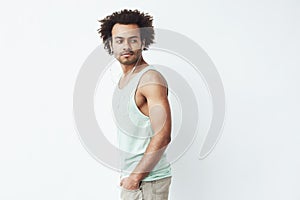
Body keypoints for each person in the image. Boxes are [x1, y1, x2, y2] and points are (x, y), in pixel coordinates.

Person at [98, 9, 172, 200]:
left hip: (147, 181)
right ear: (110, 44)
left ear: (143, 41)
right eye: (119, 40)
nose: (126, 46)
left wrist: (135, 178)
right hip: (135, 180)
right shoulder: (124, 81)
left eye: (133, 39)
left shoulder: (150, 80)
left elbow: (163, 136)